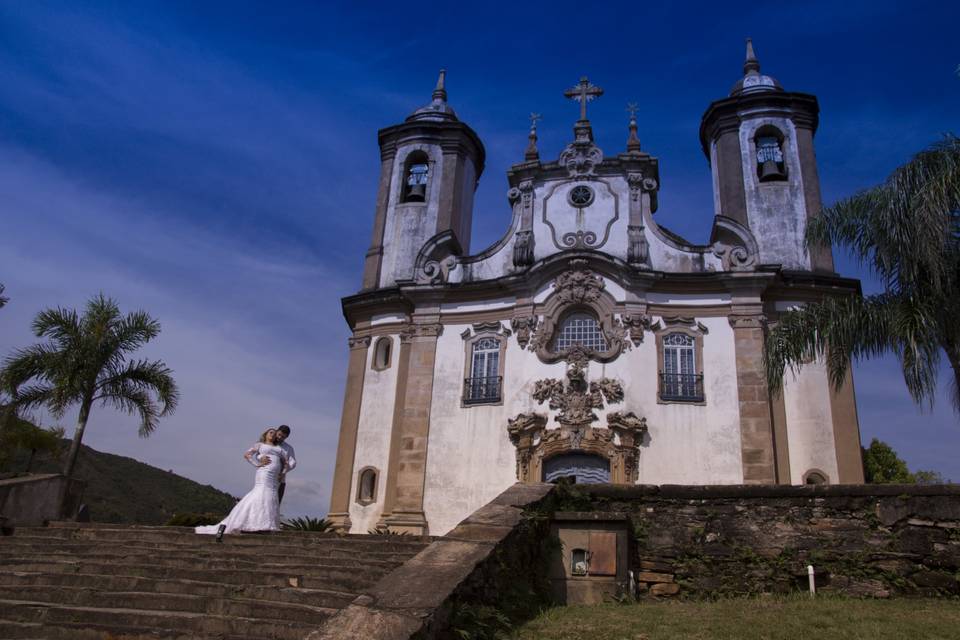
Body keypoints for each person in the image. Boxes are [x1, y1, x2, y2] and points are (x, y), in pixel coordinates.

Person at [196, 428, 287, 539]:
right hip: (264, 473)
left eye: (274, 433)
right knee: (261, 493)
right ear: (266, 434)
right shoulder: (259, 445)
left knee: (271, 496)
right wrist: (257, 463)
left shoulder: (279, 448)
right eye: (270, 433)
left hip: (275, 477)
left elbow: (286, 462)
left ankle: (264, 524)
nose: (272, 435)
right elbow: (247, 455)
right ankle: (250, 521)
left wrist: (283, 473)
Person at [275, 424, 296, 504]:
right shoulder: (268, 443)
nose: (280, 437)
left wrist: (283, 471)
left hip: (280, 480)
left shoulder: (288, 448)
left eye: (283, 437)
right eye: (279, 435)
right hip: (266, 478)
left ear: (286, 437)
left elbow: (293, 463)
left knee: (275, 504)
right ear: (276, 432)